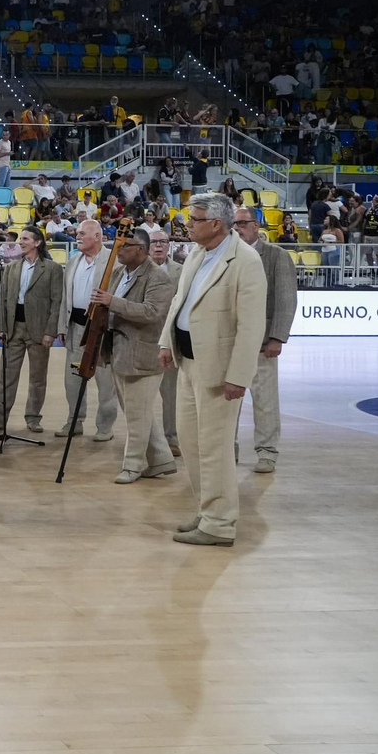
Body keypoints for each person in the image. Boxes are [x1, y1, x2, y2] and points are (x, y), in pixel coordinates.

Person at [159, 193, 267, 547]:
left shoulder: (245, 261)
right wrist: (165, 341)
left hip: (220, 371)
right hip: (187, 361)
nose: (187, 225)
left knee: (214, 447)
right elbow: (180, 302)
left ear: (216, 224)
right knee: (190, 442)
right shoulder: (196, 253)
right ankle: (208, 510)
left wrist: (239, 375)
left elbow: (251, 326)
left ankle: (220, 523)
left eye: (194, 219)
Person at [89, 229, 178, 484]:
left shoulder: (158, 278)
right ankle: (161, 459)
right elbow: (111, 305)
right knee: (138, 412)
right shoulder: (118, 273)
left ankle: (133, 465)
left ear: (141, 248)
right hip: (118, 351)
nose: (119, 250)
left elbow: (152, 313)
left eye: (124, 246)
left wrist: (112, 302)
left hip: (144, 356)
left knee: (137, 416)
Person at [233, 207, 296, 474]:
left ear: (256, 226)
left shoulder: (276, 256)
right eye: (234, 223)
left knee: (265, 401)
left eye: (243, 224)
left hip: (262, 342)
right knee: (227, 401)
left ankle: (267, 452)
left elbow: (286, 299)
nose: (238, 228)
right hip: (230, 342)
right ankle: (228, 449)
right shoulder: (226, 256)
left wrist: (277, 337)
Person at [0, 226, 62, 436]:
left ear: (37, 242)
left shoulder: (53, 269)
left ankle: (33, 418)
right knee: (5, 377)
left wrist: (50, 331)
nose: (21, 242)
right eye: (21, 239)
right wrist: (0, 328)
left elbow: (57, 303)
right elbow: (2, 299)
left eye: (26, 239)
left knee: (38, 378)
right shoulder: (11, 268)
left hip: (38, 330)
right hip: (13, 329)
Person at [57, 220, 118, 441]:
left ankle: (105, 427)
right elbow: (66, 297)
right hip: (75, 327)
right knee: (72, 379)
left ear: (98, 236)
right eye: (77, 233)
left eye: (83, 233)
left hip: (102, 328)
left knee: (105, 382)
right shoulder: (73, 262)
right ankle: (74, 420)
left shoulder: (114, 261)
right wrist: (62, 326)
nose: (77, 236)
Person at [149, 230, 182, 456]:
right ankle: (146, 440)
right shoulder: (137, 270)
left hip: (169, 341)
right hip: (143, 340)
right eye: (154, 242)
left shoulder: (182, 271)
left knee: (171, 395)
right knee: (141, 396)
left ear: (169, 245)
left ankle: (172, 439)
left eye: (163, 241)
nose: (159, 246)